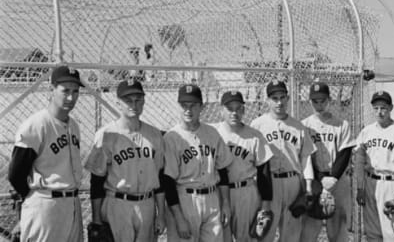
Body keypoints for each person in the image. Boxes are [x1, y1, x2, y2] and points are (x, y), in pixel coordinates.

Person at [8, 65, 84, 242]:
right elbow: (16, 174)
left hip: (72, 203)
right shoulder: (36, 125)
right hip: (46, 203)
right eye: (65, 91)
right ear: (51, 90)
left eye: (75, 92)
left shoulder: (74, 126)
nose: (71, 98)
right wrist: (34, 197)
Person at [84, 79, 166, 242]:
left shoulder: (155, 135)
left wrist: (161, 215)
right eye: (127, 100)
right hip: (118, 204)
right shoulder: (106, 134)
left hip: (147, 204)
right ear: (118, 102)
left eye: (138, 100)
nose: (133, 105)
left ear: (144, 101)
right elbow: (97, 181)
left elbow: (160, 179)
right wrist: (96, 219)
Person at [163, 84, 233, 242]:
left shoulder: (212, 133)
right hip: (185, 199)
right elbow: (167, 181)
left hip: (212, 198)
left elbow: (222, 170)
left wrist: (226, 204)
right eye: (184, 105)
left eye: (193, 105)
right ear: (178, 107)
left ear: (201, 107)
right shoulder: (172, 137)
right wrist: (178, 217)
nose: (188, 110)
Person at [250, 79, 317, 242]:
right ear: (267, 101)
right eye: (274, 98)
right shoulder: (257, 125)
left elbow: (306, 157)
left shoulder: (298, 126)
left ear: (287, 98)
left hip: (293, 183)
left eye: (282, 97)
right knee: (265, 231)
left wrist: (308, 187)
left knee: (291, 232)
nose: (279, 102)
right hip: (268, 184)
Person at [354, 90, 394, 241]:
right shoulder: (366, 132)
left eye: (383, 107)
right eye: (376, 108)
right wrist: (360, 187)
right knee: (372, 232)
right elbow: (359, 162)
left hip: (392, 184)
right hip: (371, 183)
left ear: (391, 108)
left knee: (393, 233)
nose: (379, 112)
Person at [213, 91, 274, 242]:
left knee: (246, 238)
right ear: (221, 110)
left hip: (245, 192)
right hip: (218, 193)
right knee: (221, 237)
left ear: (244, 110)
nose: (234, 113)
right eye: (229, 109)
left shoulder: (254, 135)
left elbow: (264, 171)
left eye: (238, 108)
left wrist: (266, 204)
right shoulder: (213, 134)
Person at [300, 82, 355, 242]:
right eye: (315, 101)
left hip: (338, 180)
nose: (319, 104)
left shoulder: (341, 124)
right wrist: (320, 178)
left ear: (329, 100)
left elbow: (345, 152)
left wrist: (333, 178)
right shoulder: (305, 125)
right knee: (309, 228)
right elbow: (306, 156)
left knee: (338, 227)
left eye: (322, 100)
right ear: (310, 102)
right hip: (315, 181)